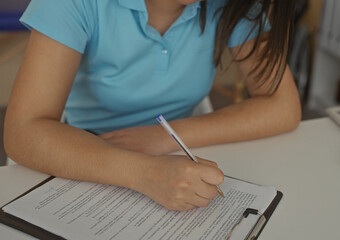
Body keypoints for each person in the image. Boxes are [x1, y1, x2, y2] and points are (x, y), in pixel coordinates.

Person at [4, 0, 301, 211]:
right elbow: (21, 133)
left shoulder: (235, 5)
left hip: (175, 152)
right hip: (83, 149)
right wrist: (146, 173)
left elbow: (283, 106)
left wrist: (160, 137)